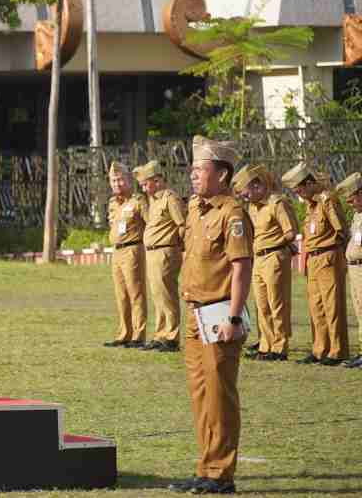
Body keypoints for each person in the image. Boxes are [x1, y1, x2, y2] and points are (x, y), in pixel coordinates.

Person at [169, 136, 252, 495]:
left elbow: (241, 267)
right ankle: (206, 467)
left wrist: (233, 319)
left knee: (220, 396)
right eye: (192, 169)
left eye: (200, 170)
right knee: (201, 396)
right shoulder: (195, 209)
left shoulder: (232, 213)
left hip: (219, 314)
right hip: (193, 314)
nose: (193, 175)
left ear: (221, 174)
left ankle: (221, 473)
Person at [281, 163, 349, 366]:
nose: (299, 194)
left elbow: (341, 231)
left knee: (332, 306)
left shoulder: (327, 200)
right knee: (316, 307)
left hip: (328, 258)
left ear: (310, 183)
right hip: (313, 260)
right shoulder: (311, 206)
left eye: (300, 190)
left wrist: (336, 255)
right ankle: (320, 349)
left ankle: (337, 351)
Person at [234, 164, 299, 361]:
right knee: (261, 305)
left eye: (246, 193)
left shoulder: (277, 203)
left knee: (277, 303)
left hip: (274, 257)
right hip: (258, 259)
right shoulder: (252, 207)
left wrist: (274, 245)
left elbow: (291, 232)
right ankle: (266, 345)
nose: (245, 198)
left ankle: (279, 348)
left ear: (257, 185)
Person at [133, 160, 186, 352]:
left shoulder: (170, 198)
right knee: (157, 296)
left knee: (167, 295)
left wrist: (179, 248)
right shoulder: (154, 200)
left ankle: (172, 336)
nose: (143, 188)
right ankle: (160, 334)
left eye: (145, 184)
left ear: (157, 180)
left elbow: (182, 225)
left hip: (165, 252)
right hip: (153, 253)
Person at [103, 161, 148, 348]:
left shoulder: (138, 201)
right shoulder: (113, 203)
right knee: (121, 295)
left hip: (133, 250)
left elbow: (150, 224)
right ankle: (124, 333)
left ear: (129, 180)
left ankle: (138, 334)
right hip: (117, 251)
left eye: (120, 180)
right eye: (113, 181)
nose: (117, 184)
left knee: (135, 293)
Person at [336, 172, 362, 369]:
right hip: (354, 269)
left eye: (352, 199)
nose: (350, 204)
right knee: (359, 311)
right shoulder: (357, 215)